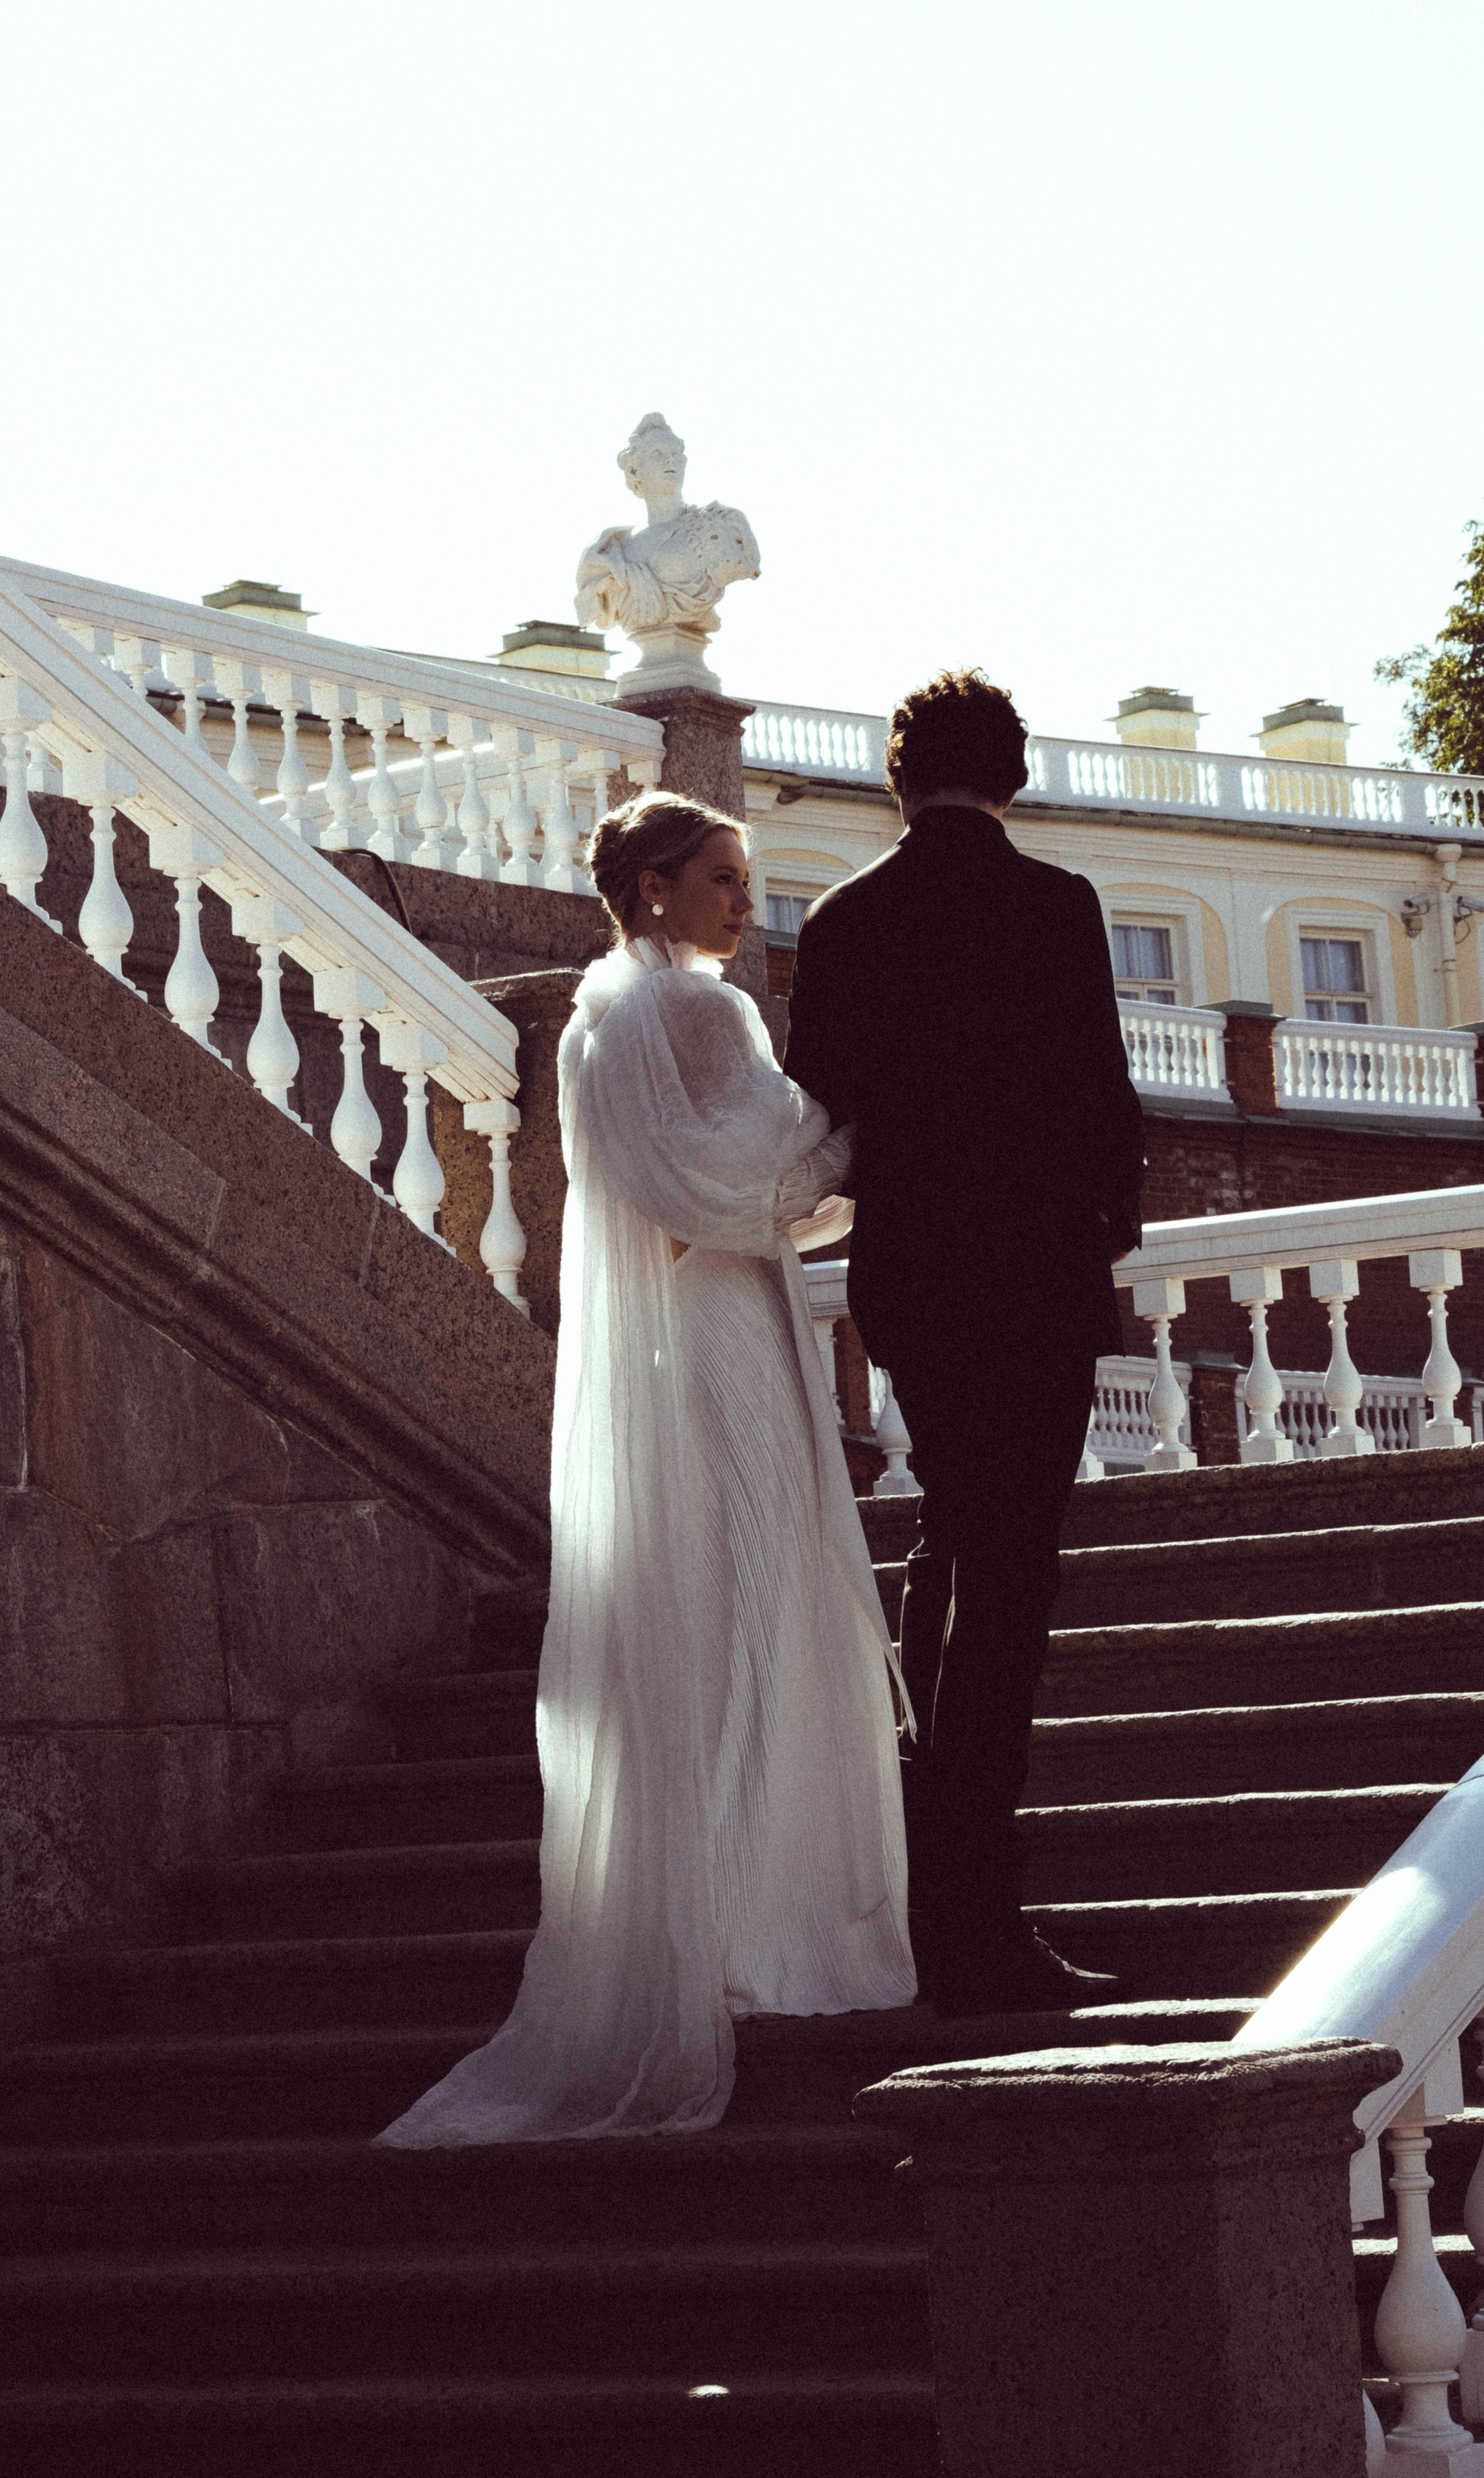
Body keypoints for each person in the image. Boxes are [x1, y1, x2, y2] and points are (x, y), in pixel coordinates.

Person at [377, 794, 915, 2148]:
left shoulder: (596, 1013)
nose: (747, 904)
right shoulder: (692, 1012)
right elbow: (745, 1174)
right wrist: (863, 1126)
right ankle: (767, 1931)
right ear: (655, 886)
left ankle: (713, 1922)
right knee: (761, 1610)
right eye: (724, 879)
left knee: (705, 1624)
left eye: (746, 879)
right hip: (726, 1332)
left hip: (676, 1342)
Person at [783, 670, 1147, 2018]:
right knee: (1008, 1573)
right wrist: (1100, 1226)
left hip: (919, 1281)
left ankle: (943, 1874)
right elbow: (1103, 1093)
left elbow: (826, 1106)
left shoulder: (841, 919)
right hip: (1040, 1278)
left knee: (956, 1537)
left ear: (896, 776)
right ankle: (965, 1906)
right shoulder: (1056, 904)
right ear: (1011, 774)